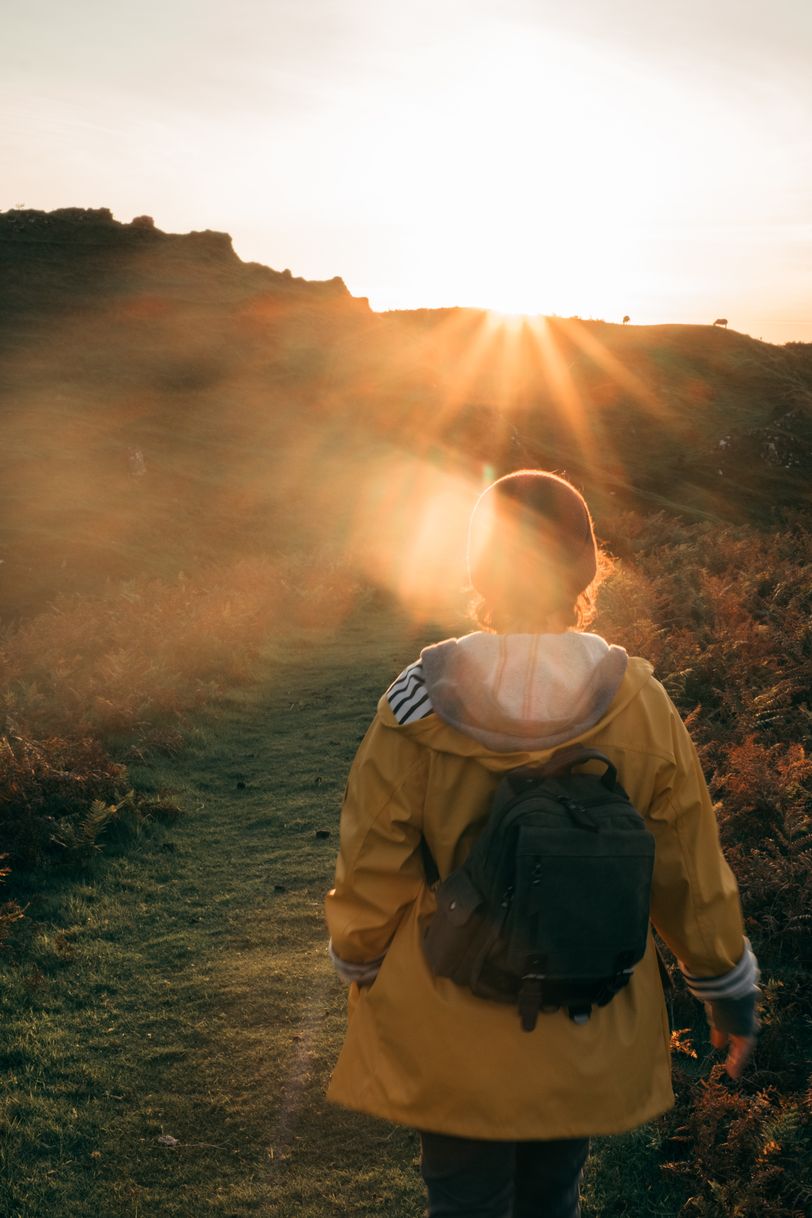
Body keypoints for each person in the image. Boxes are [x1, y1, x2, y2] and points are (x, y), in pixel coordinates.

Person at [325, 470, 759, 1218]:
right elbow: (688, 867)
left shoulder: (416, 702)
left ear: (481, 571)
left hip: (450, 1015)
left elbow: (372, 859)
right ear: (585, 570)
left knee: (462, 1203)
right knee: (553, 1198)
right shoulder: (640, 703)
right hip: (582, 1017)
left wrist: (360, 961)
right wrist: (727, 991)